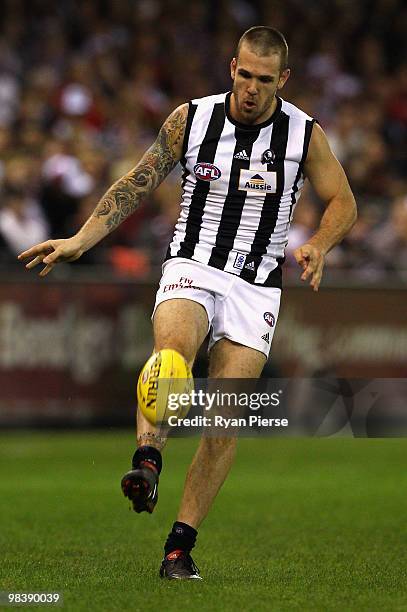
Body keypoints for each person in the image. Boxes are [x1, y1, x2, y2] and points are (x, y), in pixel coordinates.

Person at [18, 26, 357, 580]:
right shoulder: (191, 118)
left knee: (224, 419)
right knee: (173, 349)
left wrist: (319, 244)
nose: (251, 88)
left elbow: (343, 199)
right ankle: (147, 461)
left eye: (264, 80)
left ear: (284, 80)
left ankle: (178, 548)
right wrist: (82, 239)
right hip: (193, 264)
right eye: (244, 74)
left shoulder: (304, 134)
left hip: (257, 285)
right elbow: (139, 180)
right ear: (231, 67)